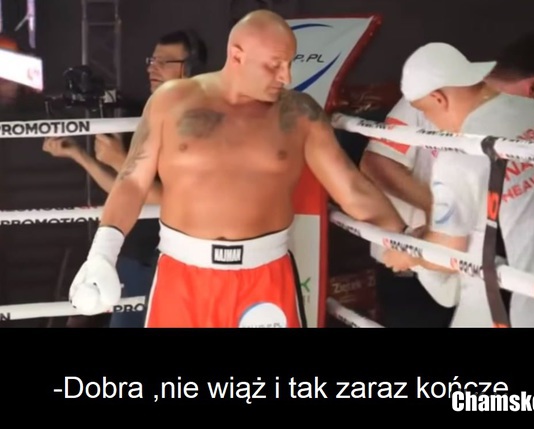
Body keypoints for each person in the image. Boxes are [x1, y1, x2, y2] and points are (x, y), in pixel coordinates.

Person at [67, 10, 407, 328]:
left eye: (289, 64)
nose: (287, 76)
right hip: (181, 275)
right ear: (237, 54)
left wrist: (401, 238)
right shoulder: (171, 102)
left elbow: (350, 187)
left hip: (265, 278)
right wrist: (102, 254)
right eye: (275, 65)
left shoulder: (299, 113)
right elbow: (132, 182)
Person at [359, 33, 534, 328]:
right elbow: (376, 163)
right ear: (533, 86)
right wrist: (437, 215)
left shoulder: (505, 126)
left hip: (472, 269)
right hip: (418, 259)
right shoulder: (426, 98)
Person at [43, 29, 208, 327]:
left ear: (190, 68)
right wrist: (81, 156)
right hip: (135, 253)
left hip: (175, 255)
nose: (153, 68)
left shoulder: (203, 124)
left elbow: (172, 200)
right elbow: (127, 189)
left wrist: (120, 161)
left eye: (165, 61)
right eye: (152, 60)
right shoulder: (147, 116)